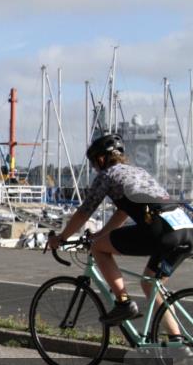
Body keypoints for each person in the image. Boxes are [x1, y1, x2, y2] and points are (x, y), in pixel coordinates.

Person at [49, 134, 193, 330]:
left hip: (161, 230)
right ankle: (178, 342)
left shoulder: (107, 175)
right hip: (184, 227)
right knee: (151, 284)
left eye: (93, 163)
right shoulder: (138, 172)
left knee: (98, 249)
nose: (93, 168)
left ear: (101, 159)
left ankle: (123, 303)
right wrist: (101, 234)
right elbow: (123, 212)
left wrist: (61, 237)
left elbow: (84, 212)